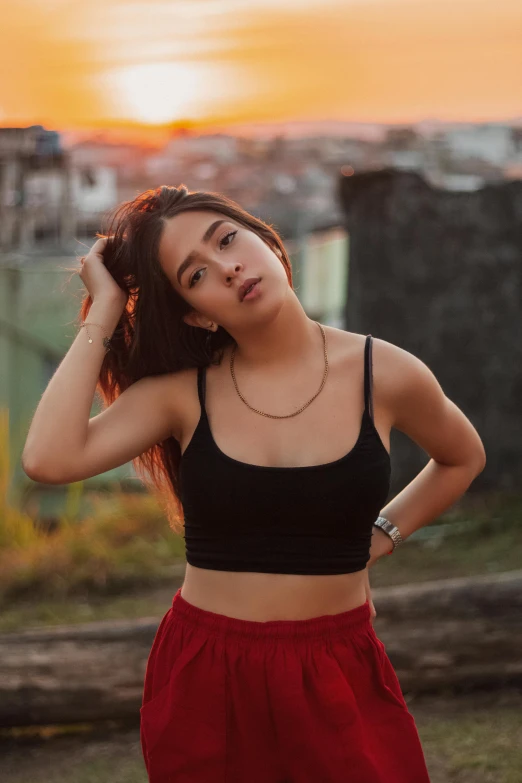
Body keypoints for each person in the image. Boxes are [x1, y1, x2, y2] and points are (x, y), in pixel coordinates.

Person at [22, 184, 486, 783]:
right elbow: (49, 459)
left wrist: (381, 536)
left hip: (336, 663)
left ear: (266, 238)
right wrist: (106, 310)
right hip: (207, 672)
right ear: (194, 311)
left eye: (228, 240)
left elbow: (461, 457)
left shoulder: (385, 372)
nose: (228, 267)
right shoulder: (182, 395)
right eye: (196, 275)